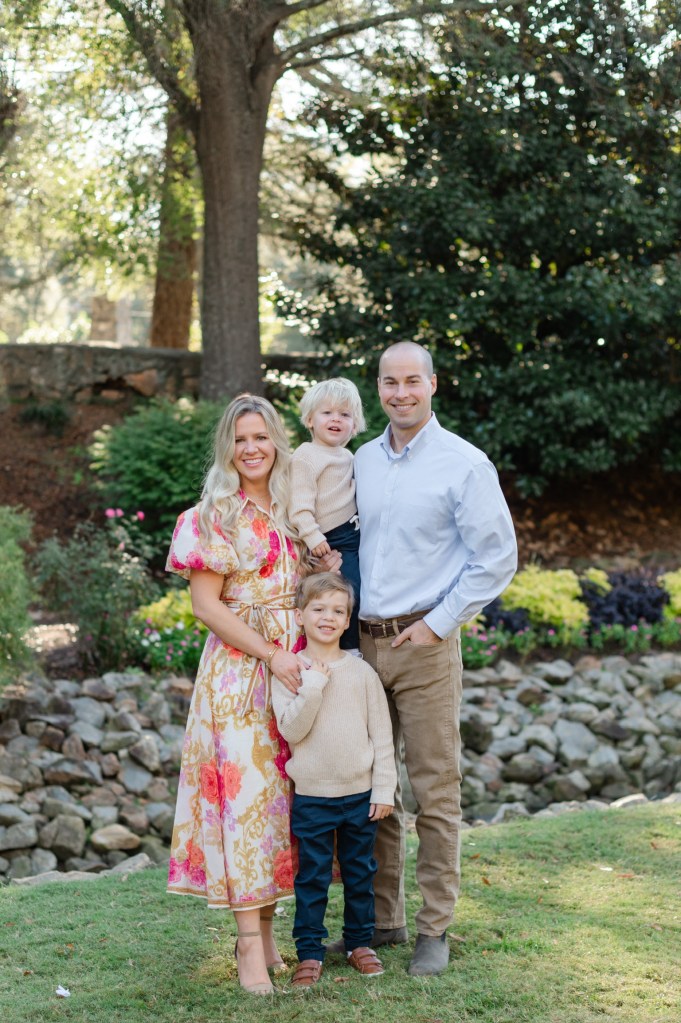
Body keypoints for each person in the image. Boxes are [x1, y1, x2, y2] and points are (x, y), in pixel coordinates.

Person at [330, 341, 517, 977]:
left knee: (435, 789)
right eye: (390, 382)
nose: (401, 392)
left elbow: (497, 557)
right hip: (362, 643)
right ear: (378, 388)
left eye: (412, 380)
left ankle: (435, 929)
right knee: (372, 789)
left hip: (426, 646)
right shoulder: (361, 460)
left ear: (433, 384)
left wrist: (438, 624)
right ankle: (384, 921)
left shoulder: (464, 464)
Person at [165, 394, 338, 997]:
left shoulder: (294, 509)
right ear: (227, 448)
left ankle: (267, 934)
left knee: (278, 807)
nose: (252, 448)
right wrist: (270, 654)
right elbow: (206, 605)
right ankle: (245, 944)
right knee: (244, 804)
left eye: (261, 436)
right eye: (240, 439)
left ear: (277, 442)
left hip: (293, 672)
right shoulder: (214, 514)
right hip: (241, 675)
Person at [271, 573, 396, 989]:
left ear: (347, 621)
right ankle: (310, 951)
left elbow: (382, 737)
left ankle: (360, 943)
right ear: (300, 615)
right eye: (319, 608)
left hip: (360, 795)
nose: (328, 617)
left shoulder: (362, 674)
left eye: (338, 611)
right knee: (313, 878)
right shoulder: (291, 672)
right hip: (313, 796)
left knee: (360, 873)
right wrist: (313, 686)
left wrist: (383, 789)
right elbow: (292, 730)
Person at [288, 378, 366, 652]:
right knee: (345, 593)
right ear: (310, 420)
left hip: (354, 534)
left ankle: (356, 643)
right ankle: (348, 649)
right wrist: (313, 537)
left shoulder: (349, 456)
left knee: (363, 590)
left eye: (345, 414)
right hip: (329, 539)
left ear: (354, 425)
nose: (336, 419)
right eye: (327, 413)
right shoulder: (306, 456)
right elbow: (299, 506)